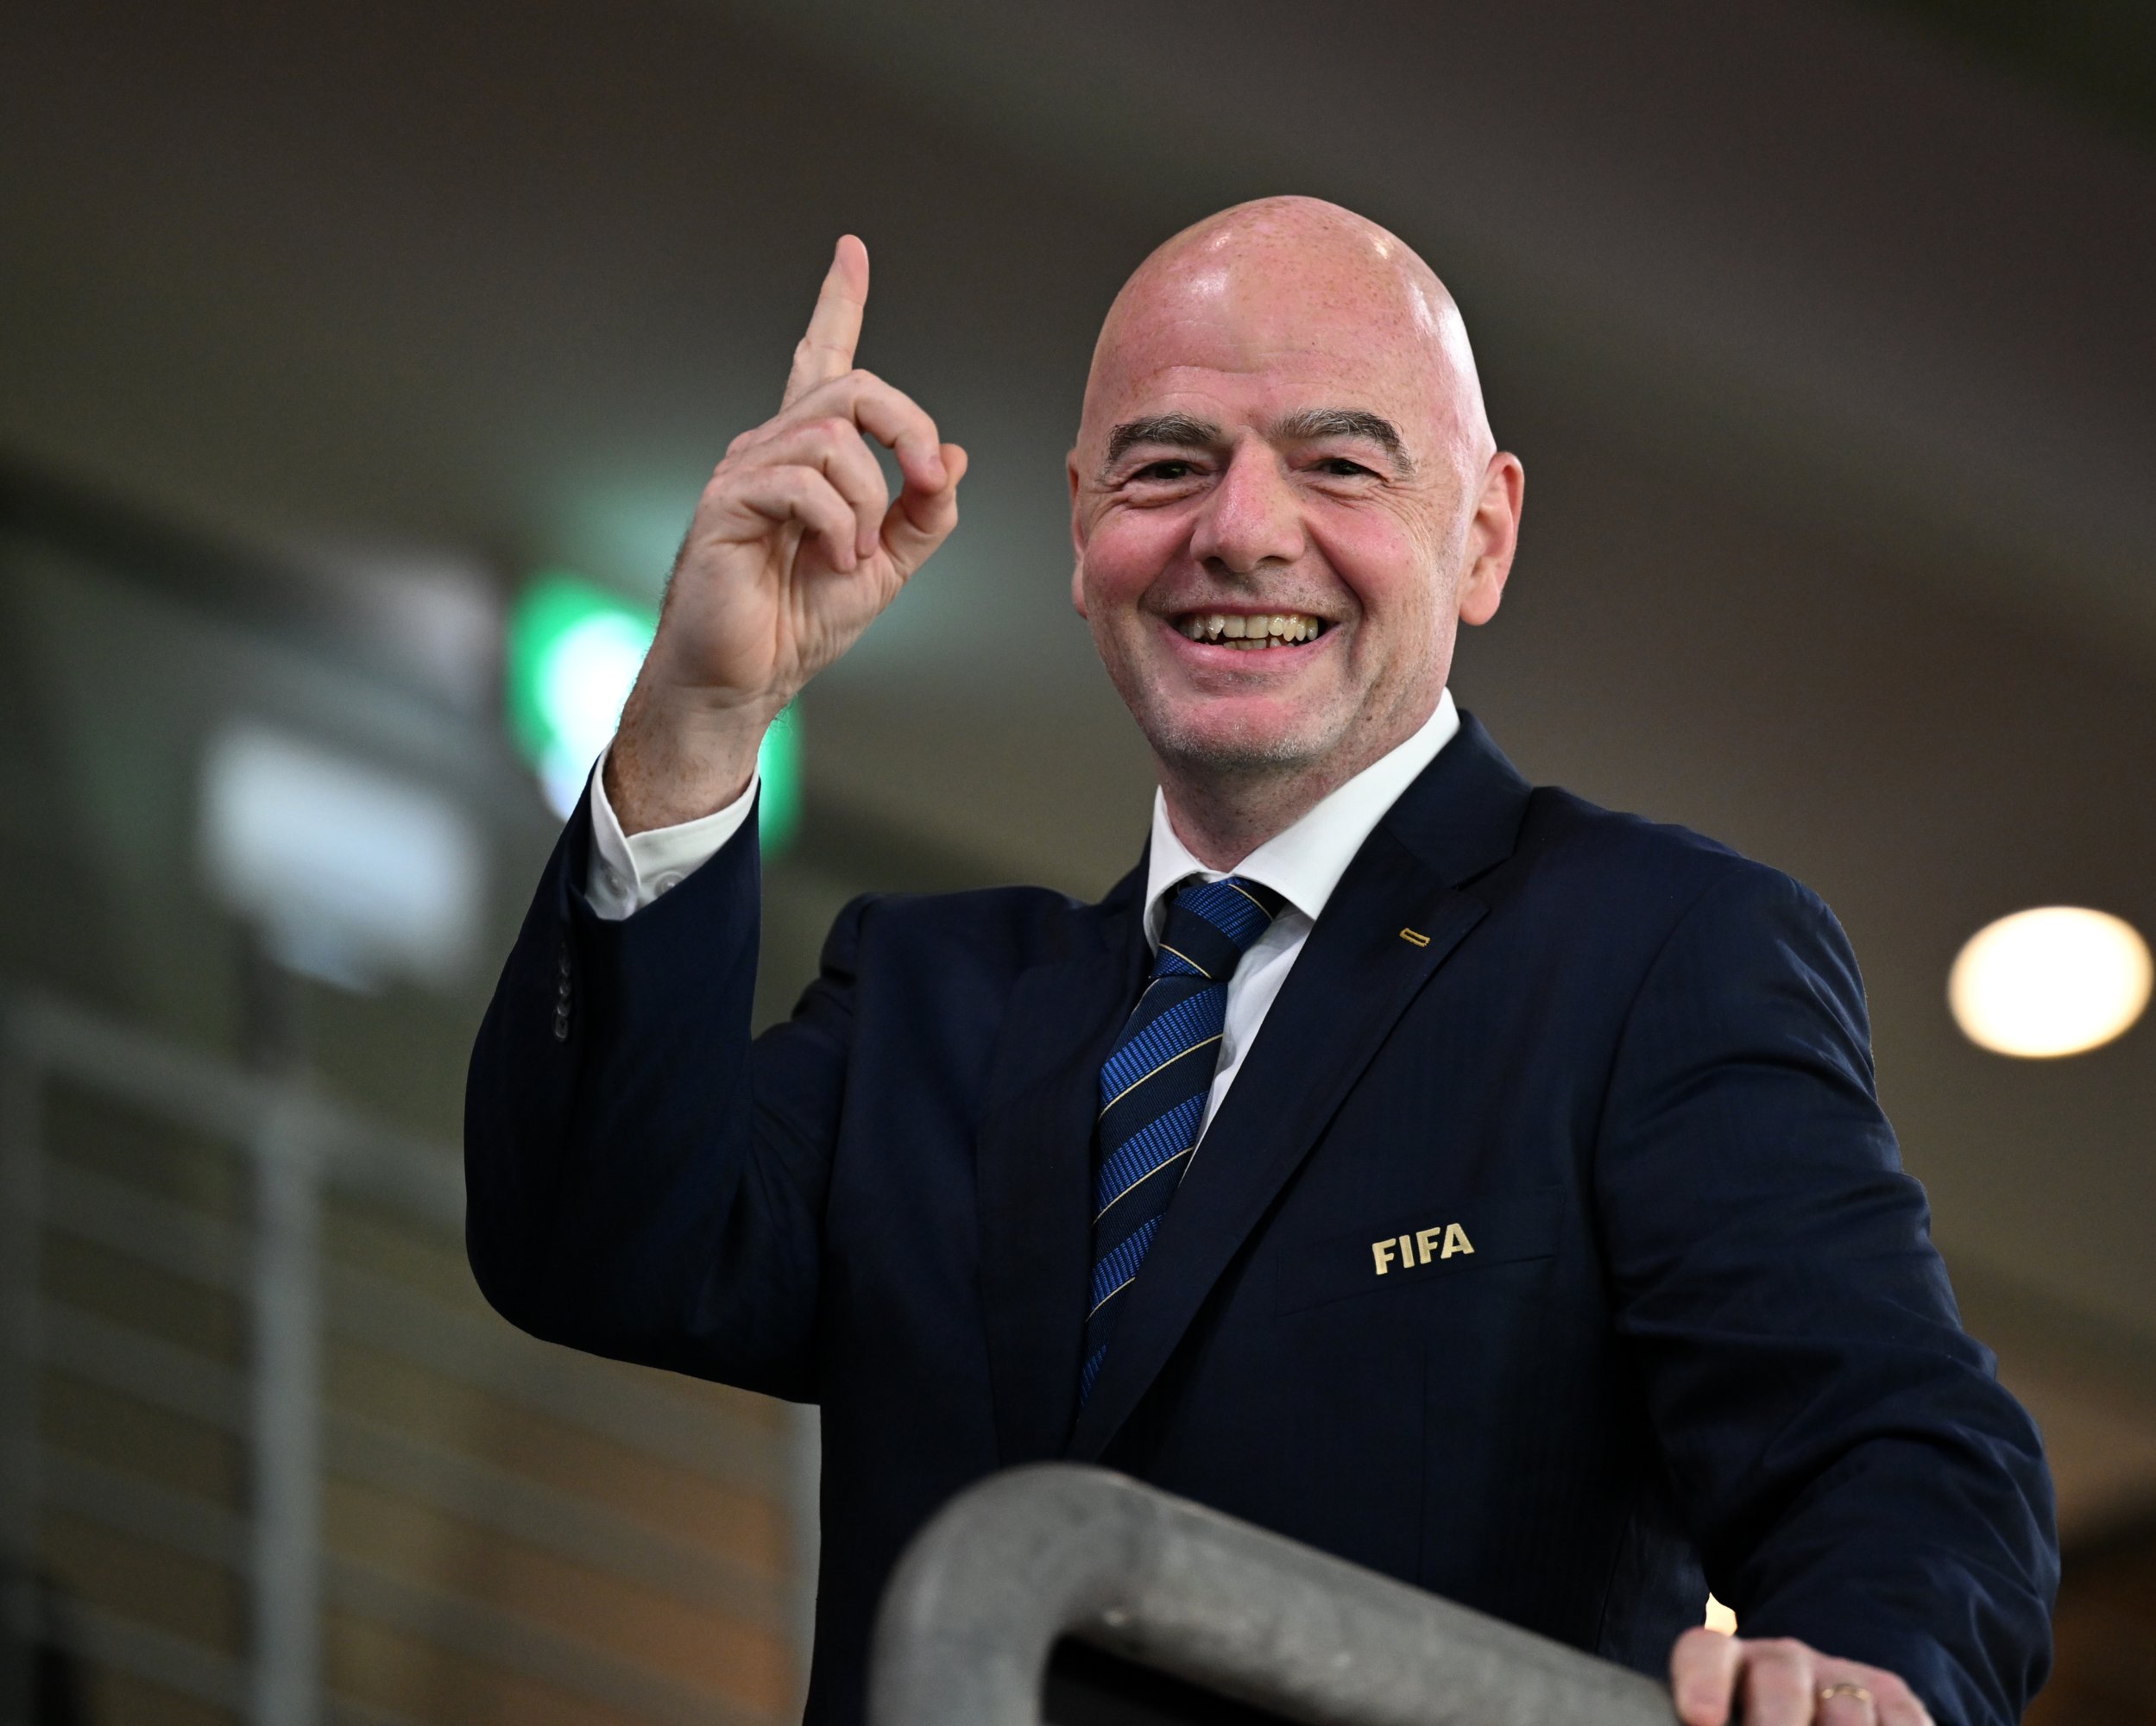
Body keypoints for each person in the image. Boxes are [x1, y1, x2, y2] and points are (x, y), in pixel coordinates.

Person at [466, 198, 2057, 1726]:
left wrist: (1853, 1679)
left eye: (1339, 465)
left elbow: (1894, 1451)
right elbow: (594, 1250)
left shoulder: (1651, 955)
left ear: (1483, 535)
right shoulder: (925, 1001)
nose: (1239, 531)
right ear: (1083, 525)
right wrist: (700, 714)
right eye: (1167, 465)